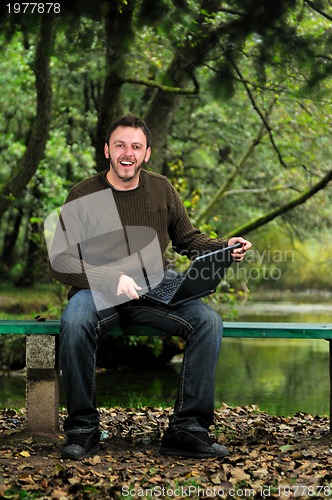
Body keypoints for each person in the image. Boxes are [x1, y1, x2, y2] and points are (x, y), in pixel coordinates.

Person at [48, 114, 252, 460]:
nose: (128, 153)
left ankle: (187, 430)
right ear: (107, 151)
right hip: (96, 291)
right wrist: (110, 278)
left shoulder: (161, 189)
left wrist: (224, 246)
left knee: (208, 321)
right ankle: (82, 430)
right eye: (120, 146)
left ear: (146, 153)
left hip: (151, 291)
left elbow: (188, 240)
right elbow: (59, 260)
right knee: (74, 321)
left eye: (136, 147)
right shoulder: (83, 194)